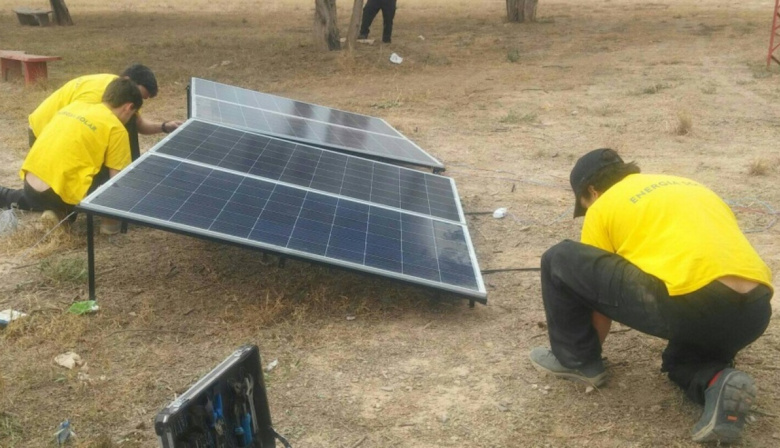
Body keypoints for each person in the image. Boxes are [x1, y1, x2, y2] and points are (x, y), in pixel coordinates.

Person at [529, 148, 773, 444]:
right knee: (681, 361)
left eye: (584, 204)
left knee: (560, 257)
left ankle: (575, 362)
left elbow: (595, 295)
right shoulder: (688, 186)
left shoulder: (603, 204)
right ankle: (717, 381)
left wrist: (587, 353)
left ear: (592, 191)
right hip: (755, 312)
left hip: (693, 304)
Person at [0, 78, 142, 229]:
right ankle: (107, 222)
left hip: (30, 187)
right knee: (113, 168)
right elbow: (117, 180)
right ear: (128, 107)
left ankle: (56, 212)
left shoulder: (75, 106)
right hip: (58, 196)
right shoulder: (116, 128)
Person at [27, 63, 181, 149]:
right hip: (44, 132)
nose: (137, 102)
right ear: (127, 80)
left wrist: (164, 127)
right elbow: (74, 130)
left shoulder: (124, 96)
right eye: (139, 95)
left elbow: (138, 124)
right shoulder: (99, 94)